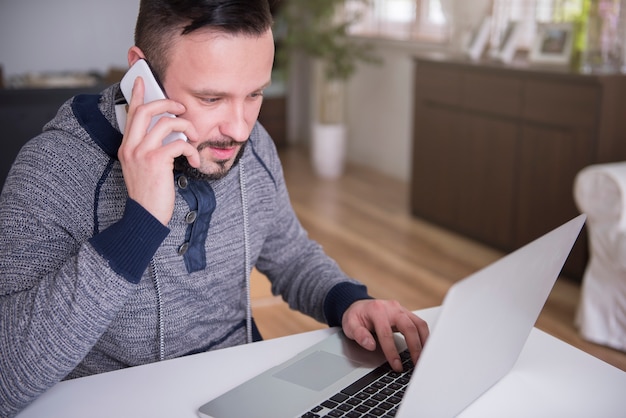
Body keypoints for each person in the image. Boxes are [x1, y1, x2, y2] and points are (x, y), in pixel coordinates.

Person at [0, 1, 429, 416]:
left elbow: (290, 254)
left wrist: (348, 302)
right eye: (211, 98)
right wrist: (140, 224)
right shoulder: (51, 172)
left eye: (254, 93)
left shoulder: (252, 143)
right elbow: (6, 379)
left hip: (243, 395)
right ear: (141, 74)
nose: (240, 128)